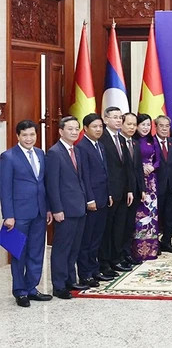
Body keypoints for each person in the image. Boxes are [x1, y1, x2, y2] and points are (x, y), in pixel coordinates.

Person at [1, 120, 52, 307]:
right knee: (18, 253)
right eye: (25, 135)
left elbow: (43, 185)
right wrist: (8, 215)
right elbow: (5, 188)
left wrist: (47, 208)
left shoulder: (40, 153)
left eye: (32, 134)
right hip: (18, 215)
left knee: (36, 252)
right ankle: (20, 291)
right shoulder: (8, 157)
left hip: (39, 212)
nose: (29, 138)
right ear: (18, 136)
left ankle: (32, 288)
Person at [45, 116, 88, 299]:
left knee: (74, 247)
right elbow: (52, 184)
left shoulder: (76, 151)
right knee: (62, 248)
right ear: (61, 131)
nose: (74, 132)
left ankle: (71, 279)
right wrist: (56, 209)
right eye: (70, 129)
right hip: (64, 210)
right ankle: (59, 285)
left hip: (79, 207)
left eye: (76, 129)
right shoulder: (54, 152)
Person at [75, 113, 112, 287]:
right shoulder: (82, 147)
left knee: (97, 238)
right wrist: (89, 199)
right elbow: (85, 177)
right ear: (86, 129)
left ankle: (95, 270)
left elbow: (105, 173)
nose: (98, 130)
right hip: (92, 201)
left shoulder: (100, 145)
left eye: (100, 126)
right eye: (94, 127)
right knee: (87, 239)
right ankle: (85, 273)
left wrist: (109, 194)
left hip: (103, 198)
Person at [98, 106, 134, 275]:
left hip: (122, 192)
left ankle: (116, 258)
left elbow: (125, 167)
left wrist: (128, 190)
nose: (119, 120)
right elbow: (103, 170)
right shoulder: (102, 139)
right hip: (109, 194)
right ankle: (104, 263)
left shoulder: (121, 138)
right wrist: (109, 192)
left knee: (119, 228)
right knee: (107, 230)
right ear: (105, 120)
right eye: (115, 117)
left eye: (120, 117)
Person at [130, 113, 160, 260]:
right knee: (138, 216)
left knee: (151, 215)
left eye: (149, 125)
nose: (146, 128)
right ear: (137, 126)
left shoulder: (152, 140)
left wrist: (152, 167)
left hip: (152, 183)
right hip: (137, 180)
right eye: (143, 124)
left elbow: (158, 160)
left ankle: (151, 250)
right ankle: (137, 250)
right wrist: (141, 167)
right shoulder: (132, 141)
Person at [153, 115, 172, 253]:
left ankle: (167, 242)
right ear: (156, 126)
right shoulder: (149, 142)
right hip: (155, 186)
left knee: (170, 216)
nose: (164, 129)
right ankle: (155, 244)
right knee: (155, 217)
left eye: (167, 126)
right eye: (161, 126)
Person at [119, 113, 145, 266]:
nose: (131, 127)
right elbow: (123, 171)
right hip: (124, 192)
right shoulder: (118, 142)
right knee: (121, 226)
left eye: (134, 125)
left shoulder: (135, 143)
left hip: (135, 191)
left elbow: (138, 170)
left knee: (130, 225)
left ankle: (128, 252)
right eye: (128, 124)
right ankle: (120, 255)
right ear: (121, 124)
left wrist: (142, 188)